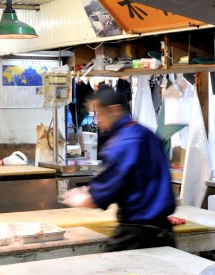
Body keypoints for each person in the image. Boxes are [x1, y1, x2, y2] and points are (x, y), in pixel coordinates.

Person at [62, 87, 176, 252]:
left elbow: (109, 187)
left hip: (137, 234)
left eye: (99, 114)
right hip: (164, 231)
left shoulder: (122, 142)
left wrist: (83, 197)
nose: (97, 120)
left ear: (114, 110)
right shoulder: (146, 133)